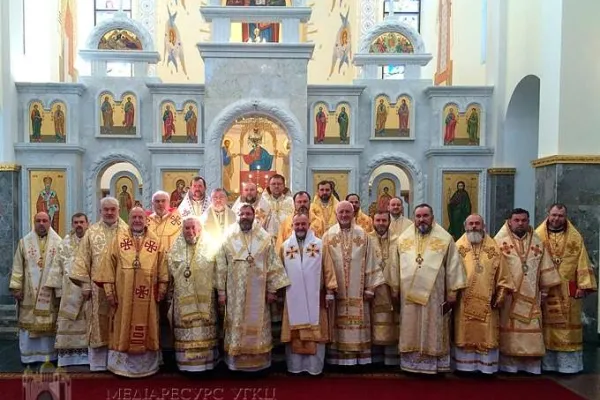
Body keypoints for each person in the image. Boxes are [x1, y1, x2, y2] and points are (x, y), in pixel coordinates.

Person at [388, 203, 466, 374]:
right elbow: (394, 266)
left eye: (425, 216)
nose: (421, 220)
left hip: (435, 295)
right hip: (408, 297)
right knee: (411, 326)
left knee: (433, 326)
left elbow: (453, 266)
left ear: (432, 217)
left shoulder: (445, 239)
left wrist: (452, 292)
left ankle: (434, 365)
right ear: (414, 218)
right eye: (418, 216)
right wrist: (394, 289)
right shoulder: (403, 239)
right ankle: (410, 365)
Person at [94, 207, 168, 378]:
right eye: (134, 217)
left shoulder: (155, 241)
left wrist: (162, 289)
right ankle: (121, 367)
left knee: (148, 324)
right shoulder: (118, 239)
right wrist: (109, 291)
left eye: (140, 217)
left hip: (148, 296)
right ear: (129, 219)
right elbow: (107, 267)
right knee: (122, 324)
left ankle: (146, 366)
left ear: (146, 219)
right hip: (122, 295)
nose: (136, 220)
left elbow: (163, 267)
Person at [216, 204, 290, 372]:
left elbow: (272, 263)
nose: (245, 216)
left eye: (248, 213)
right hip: (235, 293)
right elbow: (221, 265)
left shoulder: (264, 237)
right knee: (236, 323)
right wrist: (221, 291)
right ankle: (236, 364)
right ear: (237, 216)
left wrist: (272, 290)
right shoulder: (228, 236)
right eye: (242, 213)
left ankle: (258, 364)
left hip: (259, 292)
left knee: (257, 322)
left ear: (253, 215)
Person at [494, 208, 562, 374]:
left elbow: (545, 266)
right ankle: (509, 367)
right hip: (510, 296)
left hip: (532, 295)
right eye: (516, 220)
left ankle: (530, 367)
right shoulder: (498, 241)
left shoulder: (537, 241)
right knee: (509, 332)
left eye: (524, 220)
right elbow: (493, 268)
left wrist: (545, 290)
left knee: (531, 329)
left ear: (528, 221)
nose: (520, 223)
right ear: (509, 221)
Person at [535, 203, 597, 373]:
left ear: (565, 217)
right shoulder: (537, 236)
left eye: (560, 216)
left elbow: (582, 261)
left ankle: (567, 367)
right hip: (544, 289)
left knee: (567, 328)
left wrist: (583, 286)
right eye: (554, 215)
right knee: (546, 327)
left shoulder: (576, 238)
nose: (556, 219)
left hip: (568, 290)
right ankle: (546, 364)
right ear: (548, 214)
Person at [323, 201, 384, 366]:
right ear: (336, 214)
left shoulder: (363, 235)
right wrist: (328, 289)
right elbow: (324, 265)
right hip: (337, 292)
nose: (344, 215)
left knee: (358, 323)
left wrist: (371, 288)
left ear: (353, 214)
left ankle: (359, 361)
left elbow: (371, 260)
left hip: (359, 293)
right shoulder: (328, 236)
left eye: (347, 212)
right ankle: (337, 361)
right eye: (341, 212)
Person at [70, 196, 128, 371]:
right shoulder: (92, 232)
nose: (109, 212)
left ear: (118, 211)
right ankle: (99, 363)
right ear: (100, 211)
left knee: (119, 322)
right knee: (98, 322)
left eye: (113, 209)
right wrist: (85, 285)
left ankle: (118, 361)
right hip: (97, 289)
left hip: (121, 287)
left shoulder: (127, 231)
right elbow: (82, 260)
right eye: (106, 209)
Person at [453, 214, 515, 374]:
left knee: (486, 334)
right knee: (464, 332)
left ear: (483, 226)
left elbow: (504, 275)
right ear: (465, 226)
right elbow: (450, 274)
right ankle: (464, 367)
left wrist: (501, 296)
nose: (474, 226)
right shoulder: (457, 247)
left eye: (477, 223)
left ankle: (486, 368)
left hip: (488, 302)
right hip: (463, 301)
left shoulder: (494, 248)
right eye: (471, 223)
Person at [280, 212, 337, 375]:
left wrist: (330, 291)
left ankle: (314, 368)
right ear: (292, 226)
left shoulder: (320, 244)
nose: (300, 227)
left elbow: (328, 268)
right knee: (295, 334)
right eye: (297, 224)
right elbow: (280, 272)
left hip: (316, 299)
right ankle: (295, 367)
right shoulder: (285, 247)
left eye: (303, 224)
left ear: (309, 225)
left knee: (315, 334)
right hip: (293, 299)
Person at [168, 216, 219, 372]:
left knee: (204, 332)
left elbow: (218, 269)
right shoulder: (175, 247)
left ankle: (207, 364)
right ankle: (186, 366)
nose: (190, 231)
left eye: (193, 228)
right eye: (187, 228)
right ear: (182, 230)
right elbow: (170, 270)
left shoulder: (211, 245)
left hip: (206, 300)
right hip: (183, 300)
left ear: (200, 229)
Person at [10, 212, 62, 364]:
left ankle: (49, 355)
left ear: (50, 222)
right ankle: (29, 356)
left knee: (49, 327)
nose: (41, 223)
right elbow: (18, 266)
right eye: (38, 220)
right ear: (34, 222)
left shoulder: (59, 243)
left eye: (44, 220)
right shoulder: (24, 242)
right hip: (29, 294)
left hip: (50, 293)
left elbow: (62, 269)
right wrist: (16, 287)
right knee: (28, 323)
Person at [45, 213, 90, 367]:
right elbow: (57, 265)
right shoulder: (64, 243)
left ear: (87, 223)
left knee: (88, 323)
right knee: (69, 323)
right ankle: (68, 358)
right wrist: (58, 291)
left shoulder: (92, 240)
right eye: (76, 222)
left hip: (88, 291)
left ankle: (89, 356)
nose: (79, 225)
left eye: (81, 222)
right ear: (72, 224)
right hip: (69, 291)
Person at [369, 211, 400, 365]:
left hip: (392, 288)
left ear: (389, 221)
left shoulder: (398, 240)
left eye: (384, 220)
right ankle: (375, 360)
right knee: (374, 324)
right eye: (378, 220)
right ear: (373, 221)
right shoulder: (367, 239)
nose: (381, 223)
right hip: (374, 290)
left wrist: (397, 286)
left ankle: (391, 360)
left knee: (392, 325)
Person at [261, 174, 294, 238]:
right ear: (269, 186)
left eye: (279, 184)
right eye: (273, 184)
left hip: (287, 237)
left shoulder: (291, 201)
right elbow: (258, 222)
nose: (276, 186)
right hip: (268, 238)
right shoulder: (263, 201)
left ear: (284, 186)